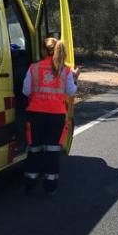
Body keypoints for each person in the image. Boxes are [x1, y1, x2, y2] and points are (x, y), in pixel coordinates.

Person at [22, 37, 77, 195]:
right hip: (56, 115)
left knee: (34, 148)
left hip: (36, 114)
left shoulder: (34, 68)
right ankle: (50, 185)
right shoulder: (65, 70)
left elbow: (26, 91)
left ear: (43, 50)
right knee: (53, 150)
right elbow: (71, 92)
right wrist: (75, 78)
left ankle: (30, 182)